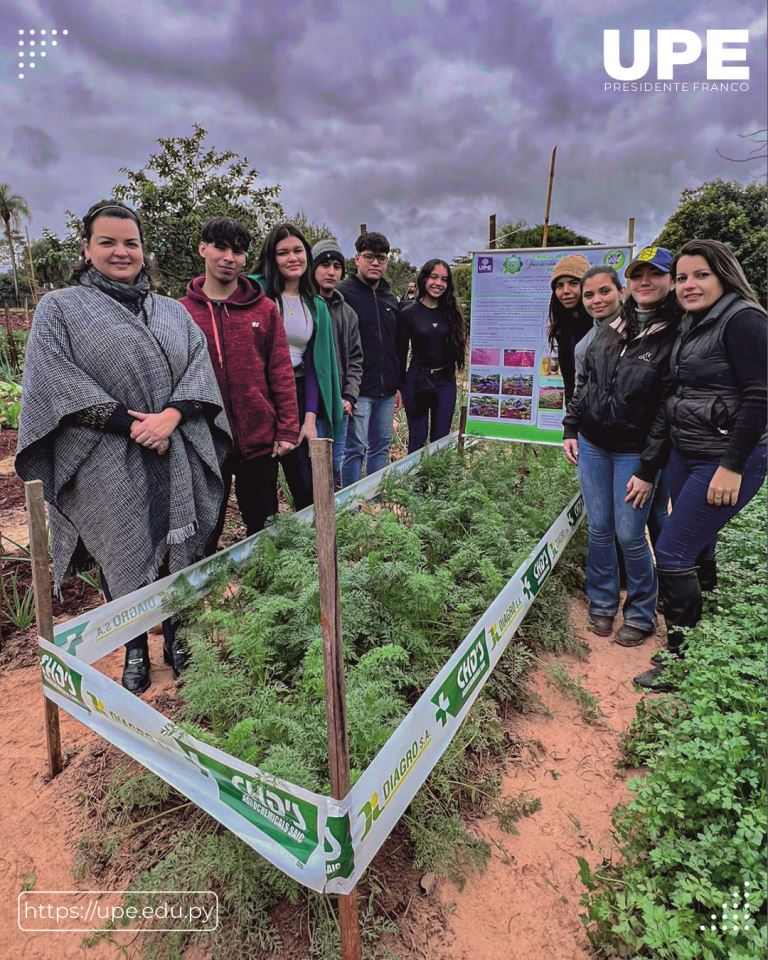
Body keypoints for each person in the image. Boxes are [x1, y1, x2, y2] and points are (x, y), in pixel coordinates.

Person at [16, 201, 231, 694]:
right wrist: (129, 423)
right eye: (108, 242)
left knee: (179, 544)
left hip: (173, 447)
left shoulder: (172, 311)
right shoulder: (60, 307)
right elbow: (53, 376)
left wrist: (170, 418)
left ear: (143, 250)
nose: (121, 251)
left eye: (130, 242)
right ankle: (134, 644)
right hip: (104, 454)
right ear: (87, 249)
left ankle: (178, 637)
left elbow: (199, 368)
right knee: (121, 546)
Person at [634, 240, 767, 691]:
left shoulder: (744, 320)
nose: (689, 285)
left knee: (672, 550)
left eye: (701, 275)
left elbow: (759, 397)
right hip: (687, 451)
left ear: (723, 274)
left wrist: (732, 465)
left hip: (725, 458)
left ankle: (680, 657)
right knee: (695, 541)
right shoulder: (693, 322)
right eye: (683, 277)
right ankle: (702, 612)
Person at [562, 244, 680, 647]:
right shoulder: (609, 332)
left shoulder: (675, 335)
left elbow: (667, 411)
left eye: (654, 275)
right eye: (638, 275)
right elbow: (587, 386)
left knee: (630, 535)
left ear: (670, 280)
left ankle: (642, 612)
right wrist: (570, 427)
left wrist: (649, 469)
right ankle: (601, 602)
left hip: (635, 451)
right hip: (594, 445)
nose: (645, 282)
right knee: (599, 529)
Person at [180, 216, 299, 547]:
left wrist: (287, 428)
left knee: (263, 525)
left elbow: (280, 371)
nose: (228, 258)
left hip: (257, 440)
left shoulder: (262, 310)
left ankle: (266, 594)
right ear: (203, 248)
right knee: (205, 528)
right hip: (205, 442)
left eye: (238, 251)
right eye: (220, 247)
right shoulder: (181, 313)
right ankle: (204, 591)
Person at [250, 223, 344, 508]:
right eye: (283, 252)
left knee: (305, 484)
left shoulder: (314, 305)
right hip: (262, 393)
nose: (292, 258)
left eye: (298, 250)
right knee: (261, 484)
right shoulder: (256, 293)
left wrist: (310, 417)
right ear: (272, 257)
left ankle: (308, 546)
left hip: (299, 391)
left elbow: (316, 365)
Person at [338, 231, 403, 486]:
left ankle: (375, 496)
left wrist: (397, 384)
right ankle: (352, 505)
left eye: (381, 258)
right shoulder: (343, 294)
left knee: (382, 445)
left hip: (386, 390)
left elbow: (397, 345)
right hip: (358, 390)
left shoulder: (389, 297)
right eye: (369, 257)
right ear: (357, 259)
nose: (375, 263)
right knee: (354, 448)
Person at [311, 238, 363, 489]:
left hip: (338, 408)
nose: (331, 272)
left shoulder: (348, 313)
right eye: (324, 265)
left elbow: (355, 359)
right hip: (309, 408)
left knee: (335, 467)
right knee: (311, 472)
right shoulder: (302, 307)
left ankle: (338, 521)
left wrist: (349, 396)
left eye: (336, 266)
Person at [399, 258, 466, 453]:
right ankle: (415, 483)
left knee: (441, 440)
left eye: (444, 279)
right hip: (417, 381)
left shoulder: (451, 312)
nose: (439, 283)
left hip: (445, 381)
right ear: (424, 279)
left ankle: (436, 484)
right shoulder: (408, 313)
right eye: (434, 277)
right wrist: (399, 386)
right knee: (417, 439)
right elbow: (400, 353)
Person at [547, 255, 592, 405]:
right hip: (577, 415)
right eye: (559, 285)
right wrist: (570, 419)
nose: (565, 291)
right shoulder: (562, 329)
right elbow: (569, 381)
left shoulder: (601, 326)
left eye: (573, 283)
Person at [574, 265, 624, 387]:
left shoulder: (643, 330)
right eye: (589, 295)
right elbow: (580, 392)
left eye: (605, 291)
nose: (596, 300)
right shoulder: (583, 347)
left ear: (622, 293)